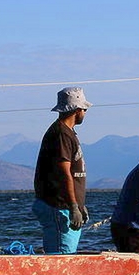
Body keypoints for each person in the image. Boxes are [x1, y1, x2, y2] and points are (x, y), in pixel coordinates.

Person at [32, 87, 92, 254]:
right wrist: (73, 206)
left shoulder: (68, 133)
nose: (85, 113)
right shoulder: (61, 134)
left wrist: (80, 205)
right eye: (84, 109)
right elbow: (64, 172)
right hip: (58, 206)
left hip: (65, 206)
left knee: (65, 255)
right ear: (77, 110)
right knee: (61, 257)